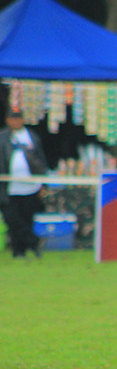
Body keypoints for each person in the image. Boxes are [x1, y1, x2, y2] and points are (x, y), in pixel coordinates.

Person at [0, 107, 49, 258]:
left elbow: (41, 160)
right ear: (7, 120)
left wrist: (43, 184)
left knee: (27, 218)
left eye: (18, 117)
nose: (15, 121)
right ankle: (33, 242)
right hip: (9, 187)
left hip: (30, 186)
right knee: (12, 219)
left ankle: (21, 251)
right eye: (13, 118)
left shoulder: (32, 137)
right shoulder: (2, 137)